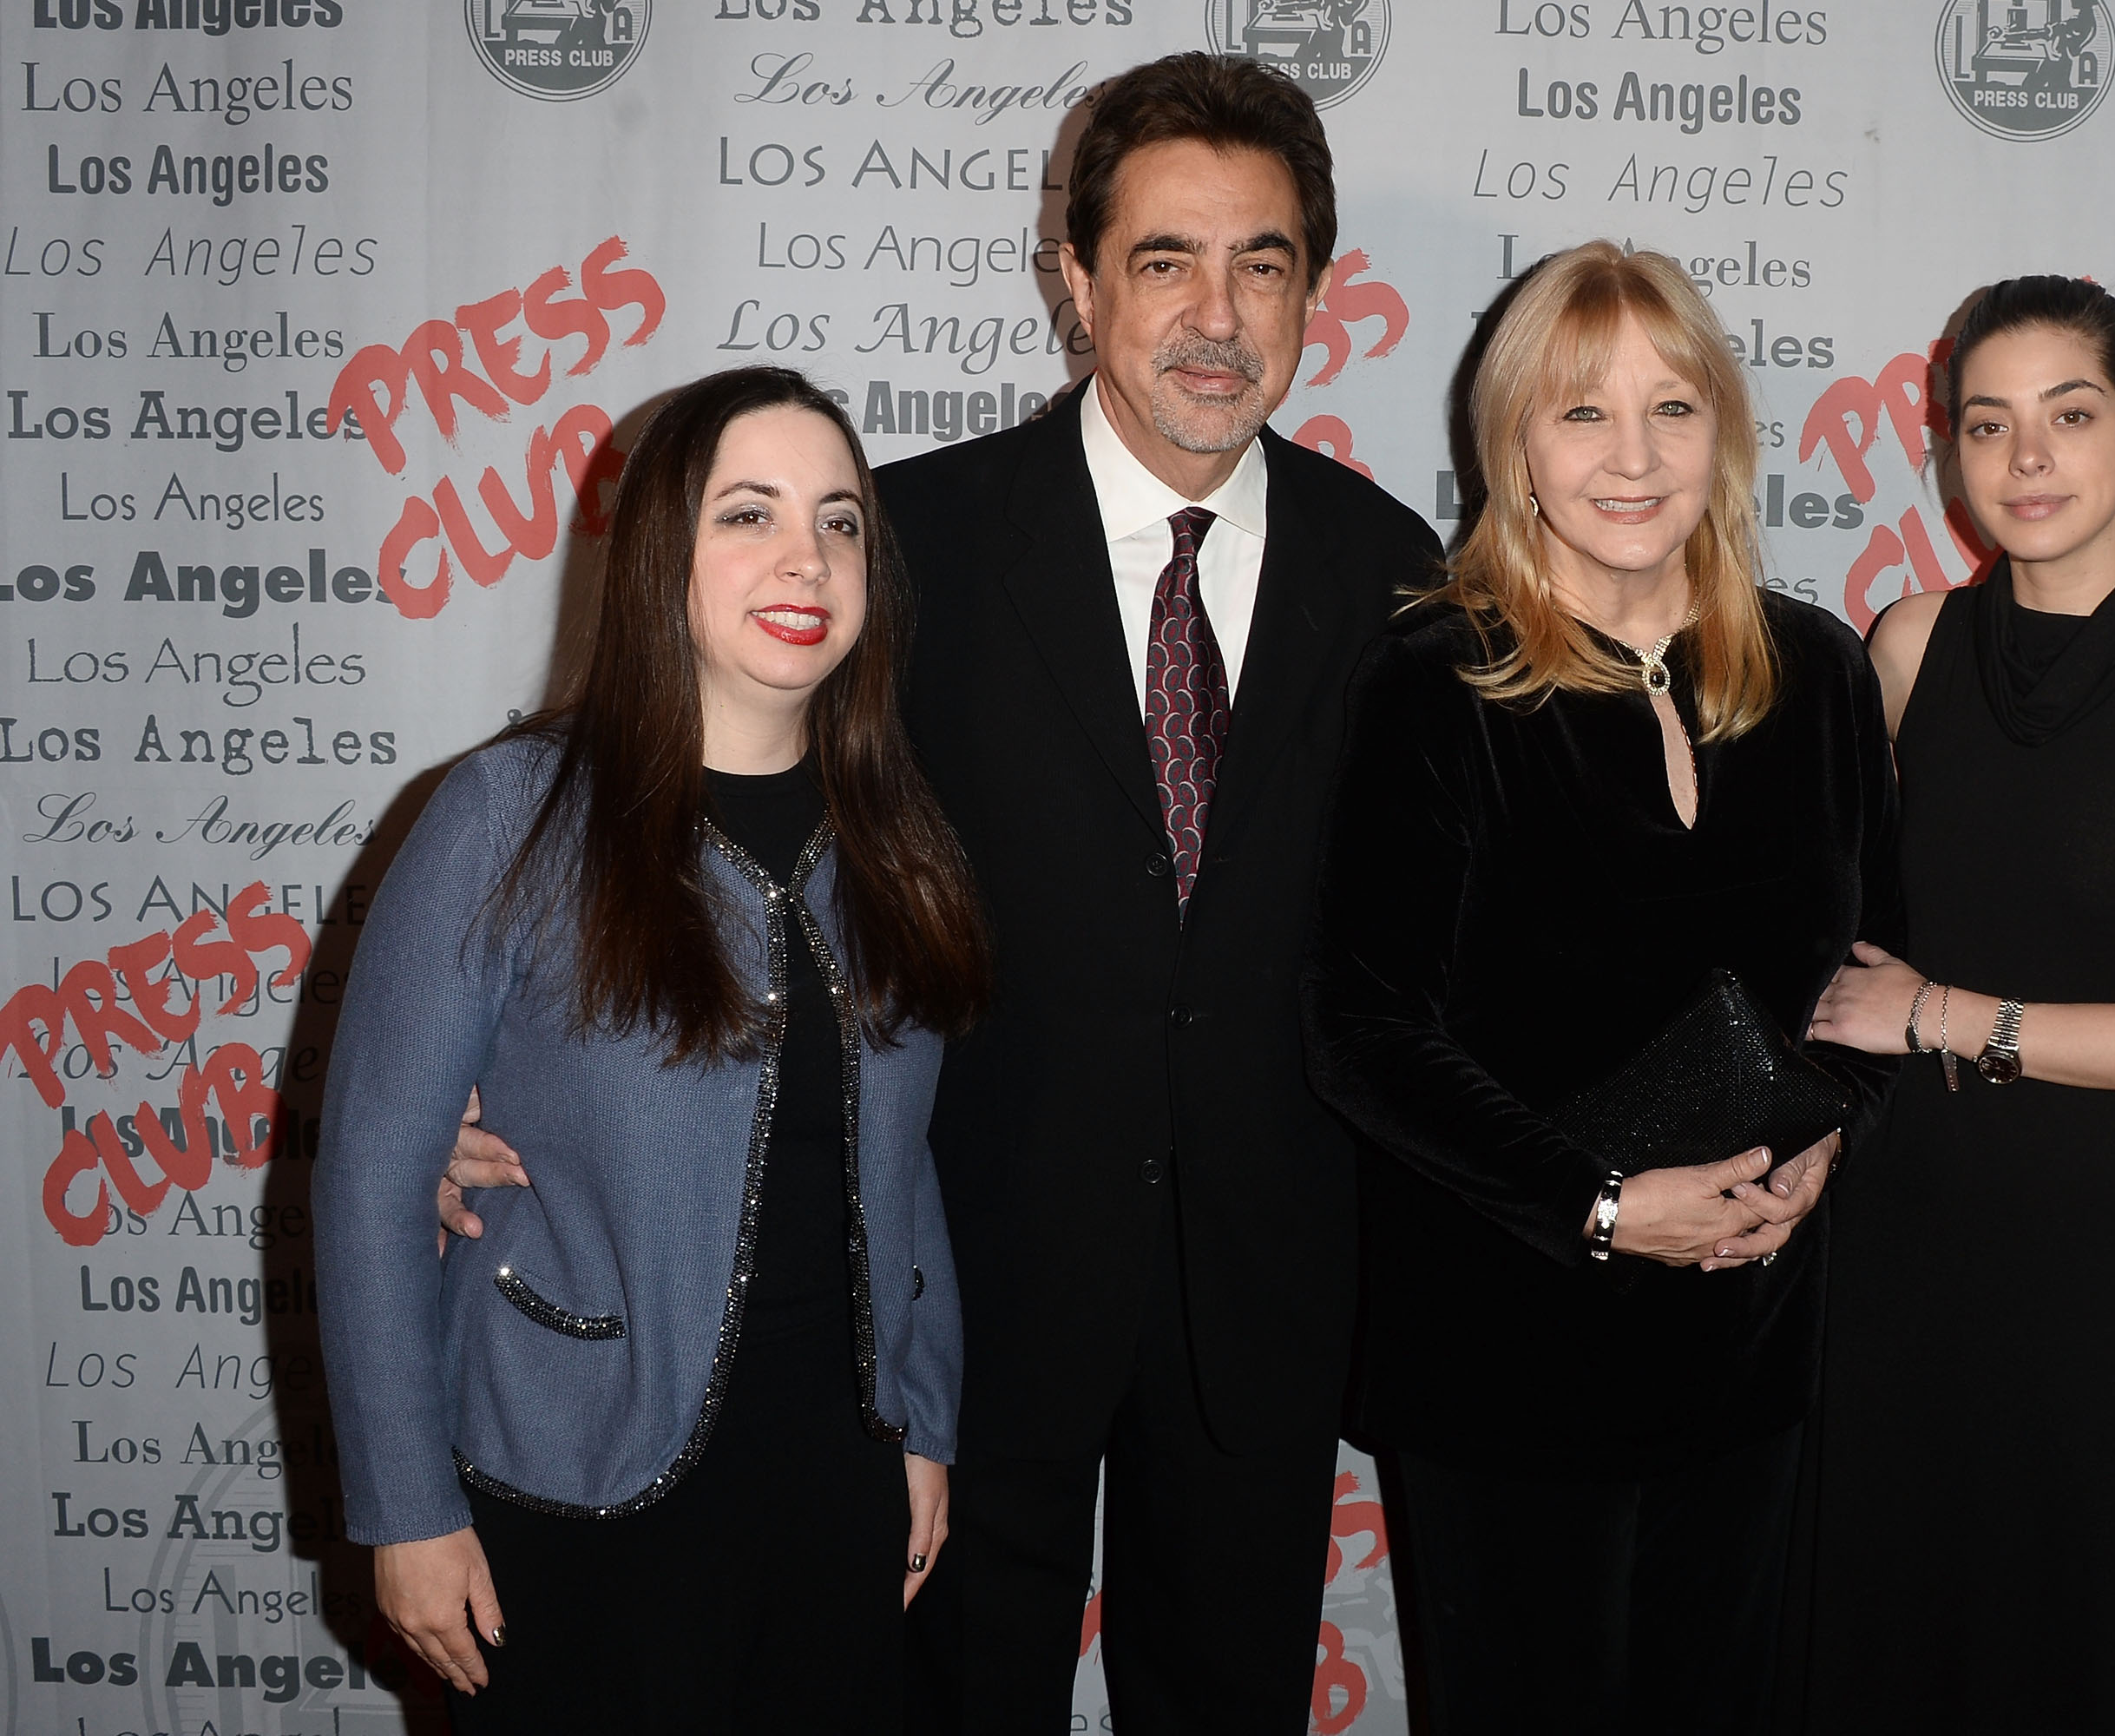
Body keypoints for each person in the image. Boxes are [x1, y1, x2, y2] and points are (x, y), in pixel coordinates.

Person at [441, 53, 1439, 1733]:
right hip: (953, 1290)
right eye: (1163, 261)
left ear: (1317, 290)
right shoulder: (907, 542)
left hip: (1264, 1303)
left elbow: (1446, 934)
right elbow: (686, 793)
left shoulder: (1399, 572)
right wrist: (492, 1061)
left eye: (1262, 262)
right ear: (1075, 279)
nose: (1216, 311)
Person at [314, 366, 987, 1733]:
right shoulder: (509, 814)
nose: (806, 557)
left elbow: (901, 1167)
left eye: (842, 522)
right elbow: (374, 1178)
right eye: (749, 515)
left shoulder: (899, 832)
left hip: (835, 1478)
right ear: (663, 554)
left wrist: (923, 1422)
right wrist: (403, 1510)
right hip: (571, 1479)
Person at [1300, 241, 1902, 1735]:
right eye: (1581, 414)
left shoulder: (1820, 675)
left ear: (1726, 435)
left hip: (1747, 1354)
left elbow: (1873, 979)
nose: (1633, 458)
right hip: (1509, 1361)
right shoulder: (1440, 680)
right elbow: (1362, 1030)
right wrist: (1609, 1204)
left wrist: (1834, 1140)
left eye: (1673, 408)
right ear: (1515, 446)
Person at [1795, 277, 2115, 1728]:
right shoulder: (1904, 648)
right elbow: (1822, 952)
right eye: (1987, 423)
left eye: (2070, 417)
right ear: (1947, 450)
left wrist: (1945, 1014)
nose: (2026, 459)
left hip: (2090, 1297)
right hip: (1884, 1269)